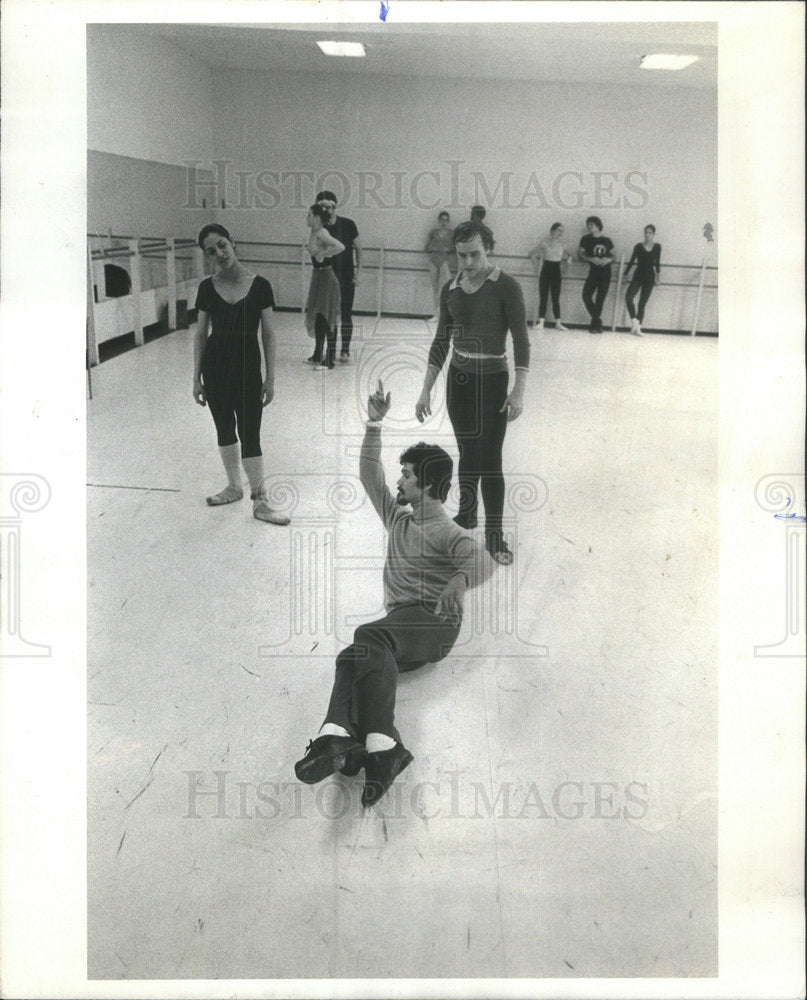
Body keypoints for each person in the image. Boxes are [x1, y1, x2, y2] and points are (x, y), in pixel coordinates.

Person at [294, 380, 495, 808]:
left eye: (406, 475)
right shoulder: (400, 519)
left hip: (435, 625)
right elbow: (370, 476)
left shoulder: (449, 531)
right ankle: (339, 737)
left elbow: (486, 561)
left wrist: (459, 581)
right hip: (404, 628)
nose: (399, 481)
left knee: (370, 636)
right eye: (401, 474)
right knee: (352, 656)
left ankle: (384, 746)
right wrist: (373, 423)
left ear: (427, 485)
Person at [415, 219, 529, 566]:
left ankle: (494, 535)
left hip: (493, 381)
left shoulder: (506, 286)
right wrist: (426, 389)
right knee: (467, 452)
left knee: (490, 460)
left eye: (474, 255)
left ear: (489, 249)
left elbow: (521, 340)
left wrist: (518, 391)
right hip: (459, 381)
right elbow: (440, 342)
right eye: (462, 255)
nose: (467, 263)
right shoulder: (450, 288)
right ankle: (466, 517)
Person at [193, 224, 289, 525]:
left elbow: (269, 335)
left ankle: (260, 501)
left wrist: (270, 377)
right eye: (211, 251)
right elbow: (200, 335)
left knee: (250, 433)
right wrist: (196, 378)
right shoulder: (207, 288)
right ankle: (234, 486)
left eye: (222, 245)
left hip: (248, 368)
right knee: (224, 427)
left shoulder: (260, 285)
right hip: (216, 368)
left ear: (233, 243)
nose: (219, 254)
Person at [316, 190, 362, 363]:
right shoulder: (319, 228)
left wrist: (358, 273)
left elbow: (359, 248)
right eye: (321, 207)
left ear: (334, 206)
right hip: (327, 276)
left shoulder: (348, 224)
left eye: (327, 206)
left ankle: (345, 350)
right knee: (329, 315)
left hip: (347, 275)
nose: (325, 210)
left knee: (346, 314)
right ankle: (331, 350)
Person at [304, 204, 344, 370]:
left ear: (317, 218)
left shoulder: (322, 233)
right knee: (318, 315)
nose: (307, 218)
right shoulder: (313, 233)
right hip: (318, 277)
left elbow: (341, 246)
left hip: (327, 279)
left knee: (327, 318)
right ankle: (317, 354)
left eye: (309, 215)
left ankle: (329, 359)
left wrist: (322, 254)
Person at [528, 222, 573, 330]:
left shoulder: (563, 244)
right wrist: (536, 265)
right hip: (546, 269)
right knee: (543, 296)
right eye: (558, 230)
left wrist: (569, 259)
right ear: (552, 231)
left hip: (556, 270)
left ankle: (558, 322)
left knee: (555, 297)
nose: (560, 233)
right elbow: (531, 253)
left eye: (562, 231)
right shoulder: (544, 243)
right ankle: (541, 321)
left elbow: (570, 255)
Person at [578, 216, 615, 334]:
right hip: (593, 272)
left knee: (600, 299)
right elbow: (580, 255)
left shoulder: (607, 240)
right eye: (588, 225)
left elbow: (614, 256)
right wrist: (591, 259)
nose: (589, 227)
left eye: (591, 225)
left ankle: (595, 326)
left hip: (606, 272)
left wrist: (608, 260)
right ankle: (597, 322)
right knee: (586, 295)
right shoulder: (585, 239)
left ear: (598, 225)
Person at [623, 225, 661, 336]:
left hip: (650, 277)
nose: (647, 234)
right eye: (646, 232)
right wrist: (625, 274)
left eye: (650, 232)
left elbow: (657, 262)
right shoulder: (638, 246)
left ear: (653, 234)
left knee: (642, 303)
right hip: (638, 275)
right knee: (629, 297)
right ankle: (634, 320)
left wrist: (657, 277)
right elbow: (631, 261)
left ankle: (638, 328)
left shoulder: (657, 247)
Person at [424, 210, 456, 320]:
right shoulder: (434, 232)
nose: (444, 222)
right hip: (433, 260)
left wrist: (448, 249)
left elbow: (454, 248)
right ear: (439, 221)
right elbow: (426, 247)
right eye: (442, 220)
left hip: (444, 261)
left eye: (446, 220)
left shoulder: (451, 233)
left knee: (445, 288)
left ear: (449, 221)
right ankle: (436, 314)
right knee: (435, 288)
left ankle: (445, 314)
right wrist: (433, 248)